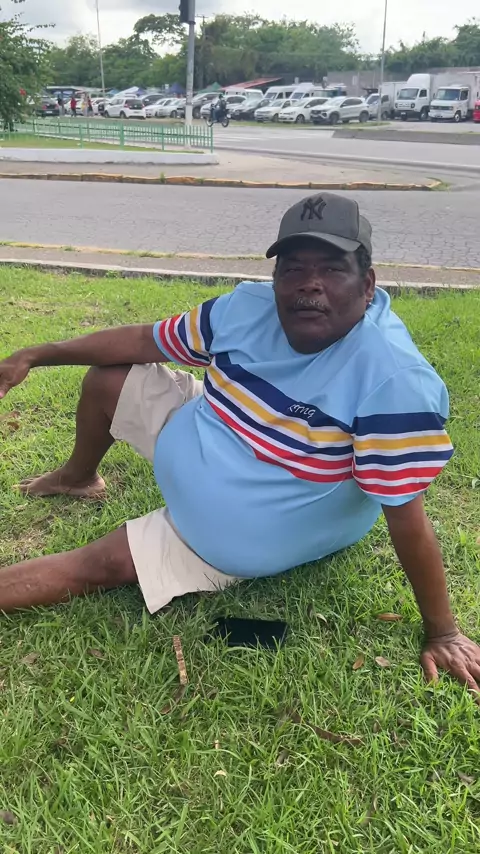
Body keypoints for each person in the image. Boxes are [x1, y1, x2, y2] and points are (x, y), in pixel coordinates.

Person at [1, 193, 479, 694]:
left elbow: (405, 515)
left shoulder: (393, 378)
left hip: (238, 529)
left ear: (368, 284)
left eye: (332, 269)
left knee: (99, 564)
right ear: (275, 279)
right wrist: (35, 355)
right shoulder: (246, 307)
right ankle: (77, 478)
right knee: (108, 380)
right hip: (214, 430)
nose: (309, 284)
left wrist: (443, 632)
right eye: (293, 269)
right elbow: (146, 340)